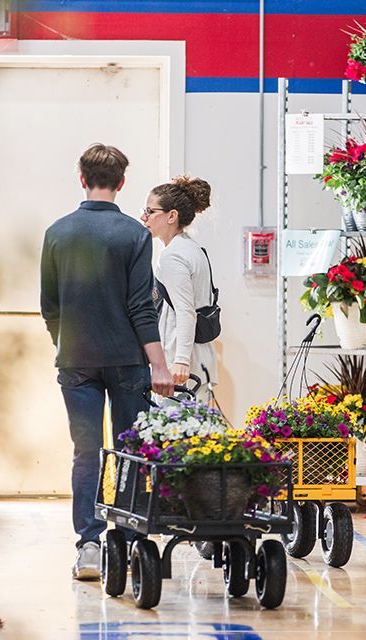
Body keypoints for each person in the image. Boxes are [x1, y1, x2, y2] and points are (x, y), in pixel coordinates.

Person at [40, 143, 174, 581]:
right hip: (126, 361)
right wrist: (159, 364)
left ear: (81, 178)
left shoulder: (57, 232)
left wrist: (70, 342)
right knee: (131, 452)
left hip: (75, 360)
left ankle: (89, 546)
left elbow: (50, 307)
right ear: (121, 183)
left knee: (86, 453)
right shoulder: (135, 235)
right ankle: (132, 542)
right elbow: (141, 306)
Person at [143, 176, 219, 404]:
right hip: (198, 359)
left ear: (171, 216)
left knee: (174, 435)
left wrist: (182, 361)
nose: (144, 217)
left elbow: (186, 311)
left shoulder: (173, 256)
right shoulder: (192, 249)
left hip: (182, 367)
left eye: (150, 211)